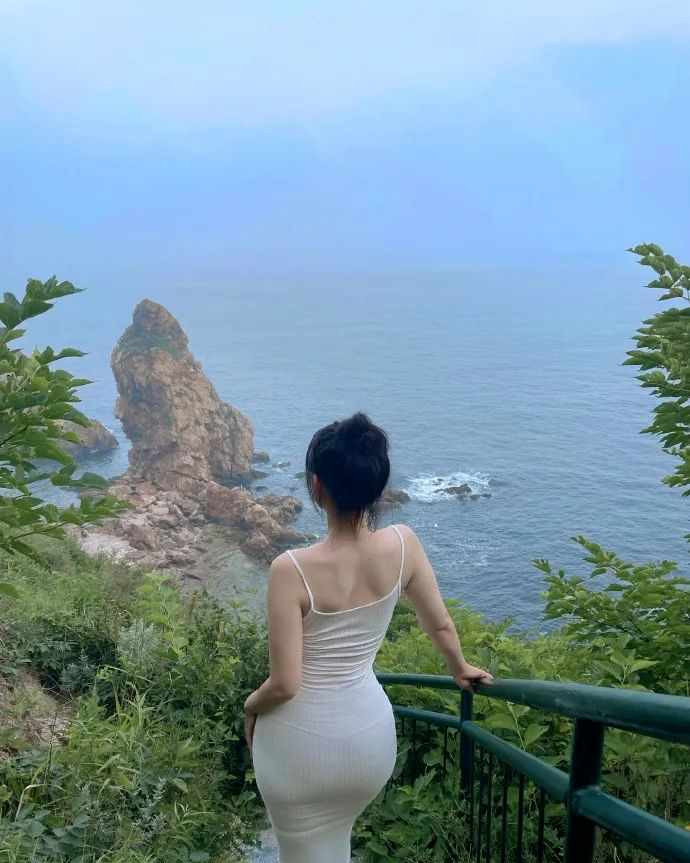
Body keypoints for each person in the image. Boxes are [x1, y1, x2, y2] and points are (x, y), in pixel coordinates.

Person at [244, 412, 493, 863]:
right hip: (369, 743)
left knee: (301, 851)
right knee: (335, 841)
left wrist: (250, 706)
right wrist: (460, 668)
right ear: (377, 486)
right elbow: (439, 624)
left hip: (300, 748)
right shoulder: (404, 544)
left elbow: (285, 684)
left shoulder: (290, 569)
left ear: (317, 486)